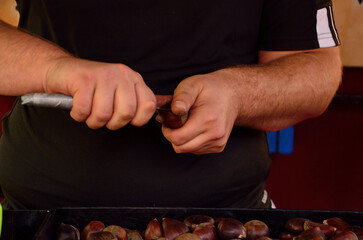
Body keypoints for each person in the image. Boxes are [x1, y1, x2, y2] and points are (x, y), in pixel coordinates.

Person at [0, 0, 342, 210]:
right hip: (38, 214)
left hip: (229, 216)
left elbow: (318, 68)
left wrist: (237, 93)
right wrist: (54, 70)